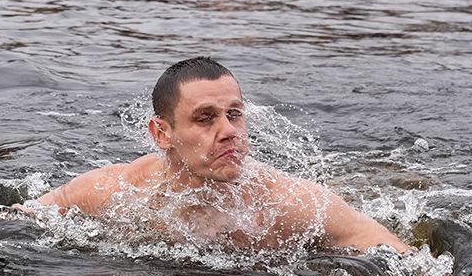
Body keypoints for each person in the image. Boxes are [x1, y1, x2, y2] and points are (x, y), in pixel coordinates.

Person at [37, 58, 412, 255]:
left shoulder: (290, 205)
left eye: (234, 114)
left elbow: (397, 252)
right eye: (205, 118)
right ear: (161, 133)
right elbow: (17, 218)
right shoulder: (116, 191)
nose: (229, 131)